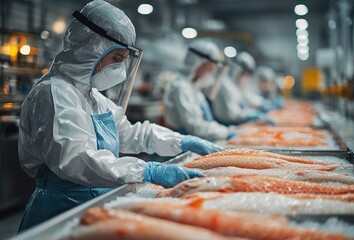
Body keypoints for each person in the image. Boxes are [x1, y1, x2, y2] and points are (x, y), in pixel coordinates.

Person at [17, 0, 223, 232]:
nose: (120, 71)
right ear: (89, 49)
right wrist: (146, 170)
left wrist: (180, 141)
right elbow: (75, 159)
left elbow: (128, 133)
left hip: (94, 202)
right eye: (116, 59)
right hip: (61, 210)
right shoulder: (54, 92)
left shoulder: (93, 97)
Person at [163, 39, 240, 141]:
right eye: (209, 69)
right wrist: (226, 132)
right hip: (182, 148)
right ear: (197, 65)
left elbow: (206, 122)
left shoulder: (194, 88)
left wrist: (228, 130)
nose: (210, 74)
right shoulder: (180, 87)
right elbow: (195, 127)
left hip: (200, 142)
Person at [207, 56, 274, 126]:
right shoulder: (225, 86)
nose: (246, 77)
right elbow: (231, 114)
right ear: (238, 70)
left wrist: (262, 104)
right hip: (226, 125)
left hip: (233, 123)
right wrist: (251, 114)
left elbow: (246, 98)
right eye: (245, 73)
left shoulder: (235, 85)